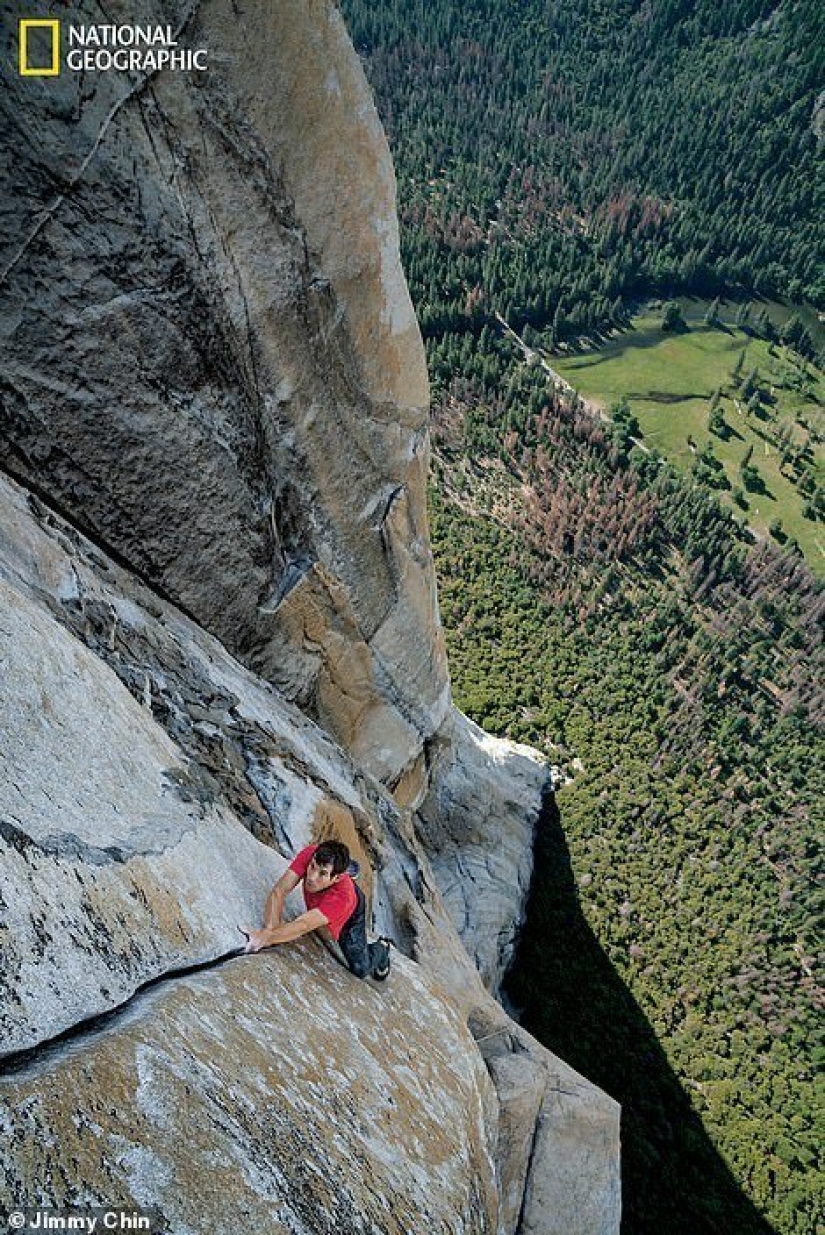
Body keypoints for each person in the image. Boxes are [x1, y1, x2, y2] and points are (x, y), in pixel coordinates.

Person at [241, 839, 391, 981]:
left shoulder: (343, 899)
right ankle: (341, 868)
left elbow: (303, 925)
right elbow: (279, 891)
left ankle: (382, 948)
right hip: (335, 887)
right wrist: (269, 931)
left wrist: (266, 938)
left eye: (322, 873)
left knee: (360, 968)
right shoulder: (311, 854)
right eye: (312, 866)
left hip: (352, 911)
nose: (311, 877)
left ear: (336, 878)